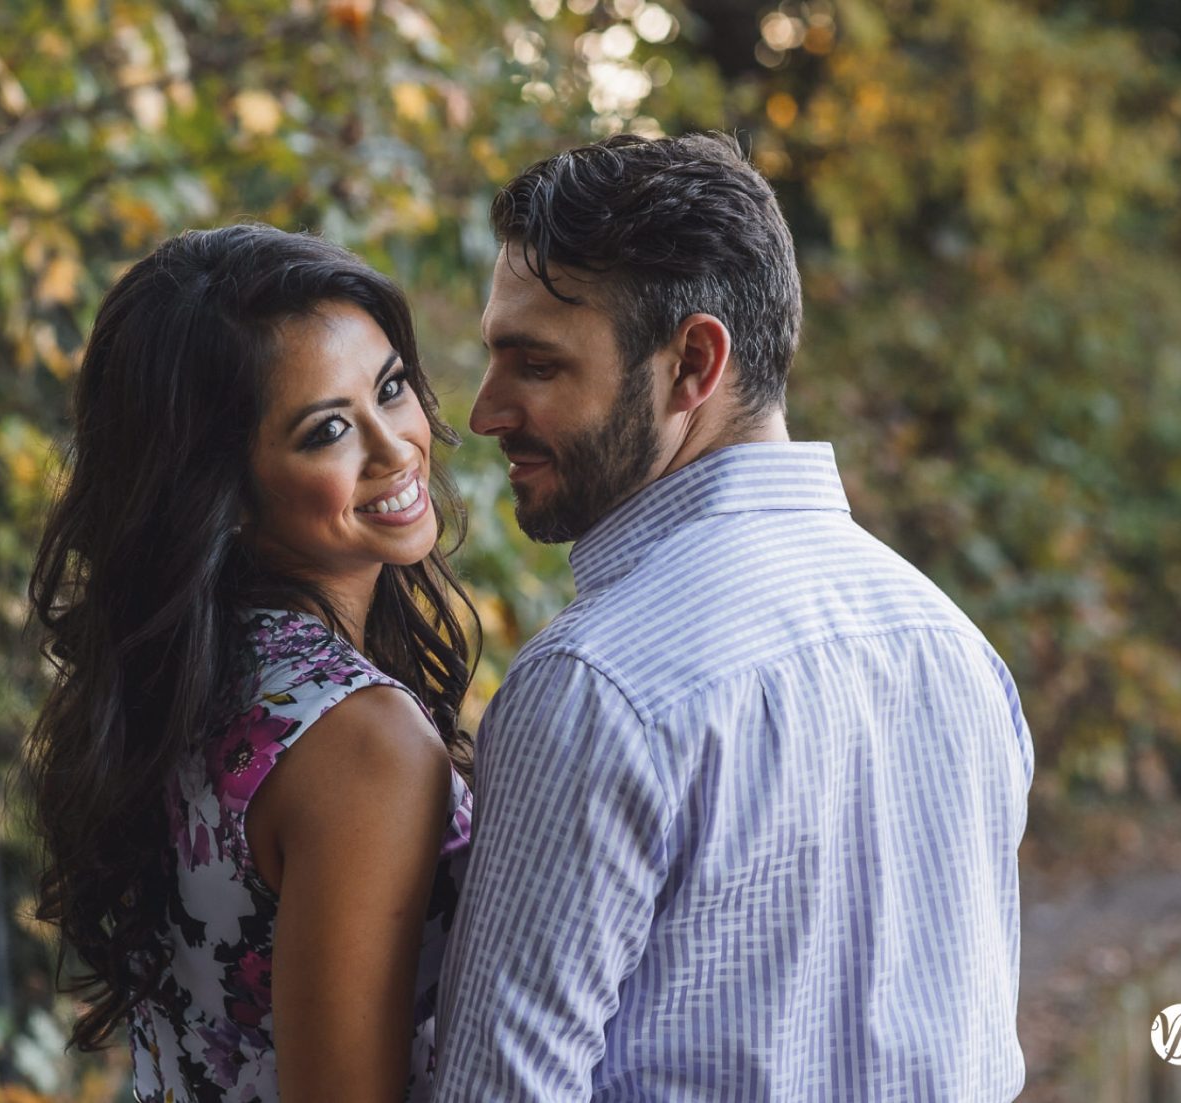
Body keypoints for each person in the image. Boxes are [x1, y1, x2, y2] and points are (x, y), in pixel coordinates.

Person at [434, 133, 1034, 1101]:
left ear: (692, 364)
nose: (485, 406)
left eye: (535, 363)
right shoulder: (956, 648)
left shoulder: (597, 689)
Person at [23, 224, 475, 1102]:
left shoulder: (184, 680)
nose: (394, 448)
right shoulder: (358, 738)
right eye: (329, 430)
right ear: (222, 493)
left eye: (391, 388)